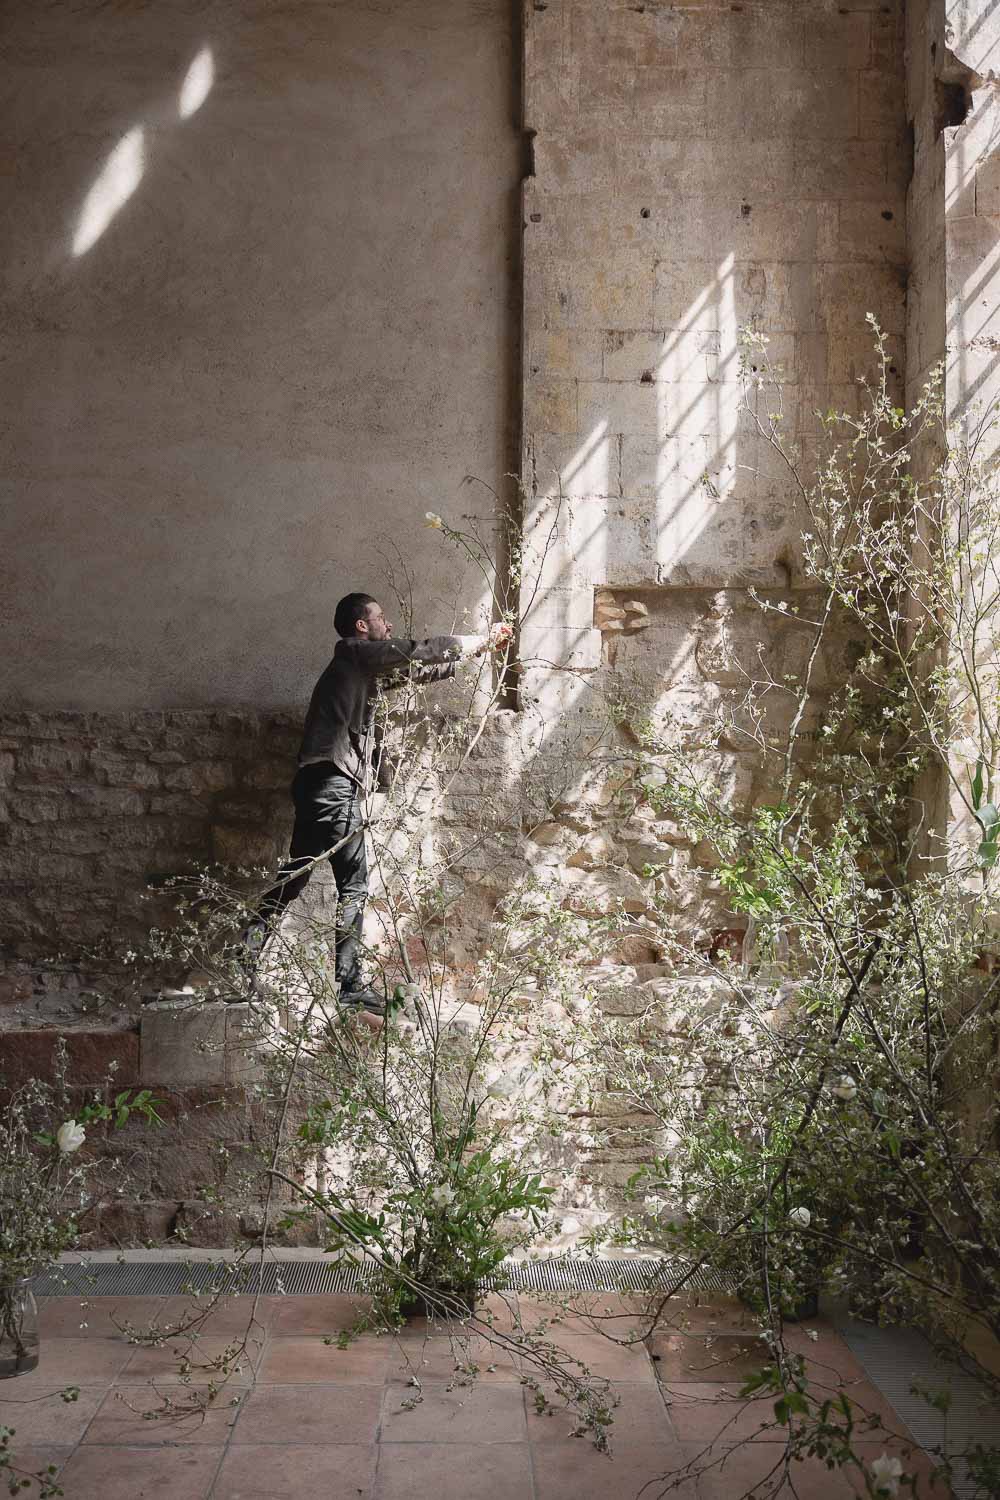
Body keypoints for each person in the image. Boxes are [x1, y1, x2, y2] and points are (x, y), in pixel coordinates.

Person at [239, 593, 511, 1029]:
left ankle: (243, 959)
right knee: (355, 885)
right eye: (380, 618)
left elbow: (415, 670)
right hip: (331, 786)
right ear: (362, 627)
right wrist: (477, 638)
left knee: (293, 877)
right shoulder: (353, 652)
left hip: (315, 785)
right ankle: (349, 989)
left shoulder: (361, 671)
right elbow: (415, 650)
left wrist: (475, 656)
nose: (387, 625)